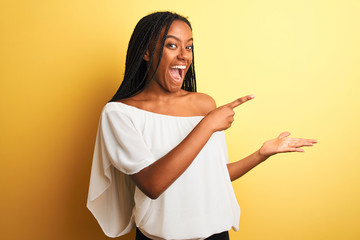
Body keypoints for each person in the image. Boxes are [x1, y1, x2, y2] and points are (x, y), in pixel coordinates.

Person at [87, 11, 317, 240]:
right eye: (171, 45)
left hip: (216, 234)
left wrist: (261, 154)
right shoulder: (119, 113)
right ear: (147, 52)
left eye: (188, 47)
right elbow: (152, 184)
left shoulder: (204, 105)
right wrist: (207, 125)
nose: (184, 56)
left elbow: (213, 175)